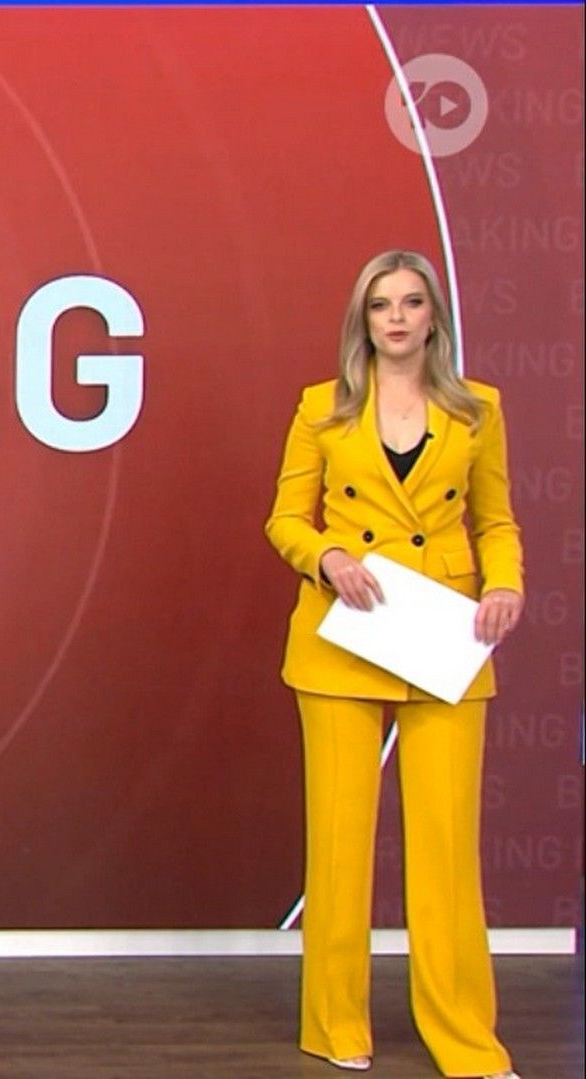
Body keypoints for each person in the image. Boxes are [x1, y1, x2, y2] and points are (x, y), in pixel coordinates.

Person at [264, 249, 524, 1078]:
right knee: (340, 844)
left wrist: (506, 585)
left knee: (447, 849)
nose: (398, 318)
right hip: (346, 633)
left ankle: (466, 1038)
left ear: (434, 317)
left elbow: (496, 521)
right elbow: (285, 518)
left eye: (412, 302)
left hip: (443, 636)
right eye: (382, 305)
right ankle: (336, 1023)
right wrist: (328, 556)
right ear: (363, 320)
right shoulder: (322, 408)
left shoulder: (478, 409)